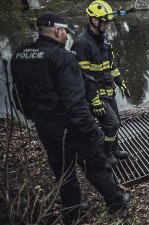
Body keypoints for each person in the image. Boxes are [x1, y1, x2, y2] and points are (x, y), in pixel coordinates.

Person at [10, 12, 131, 223]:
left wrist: (36, 117)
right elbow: (75, 102)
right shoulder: (62, 57)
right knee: (94, 165)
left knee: (63, 171)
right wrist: (90, 130)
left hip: (45, 127)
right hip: (71, 126)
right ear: (57, 30)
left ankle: (73, 211)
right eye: (65, 32)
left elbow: (17, 97)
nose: (67, 36)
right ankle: (115, 201)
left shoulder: (19, 55)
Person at [71, 0, 129, 165]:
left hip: (108, 90)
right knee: (111, 124)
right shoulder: (82, 43)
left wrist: (120, 82)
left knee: (115, 122)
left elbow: (110, 66)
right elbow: (81, 76)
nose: (107, 25)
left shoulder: (104, 40)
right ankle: (104, 155)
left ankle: (114, 149)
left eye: (108, 21)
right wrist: (94, 99)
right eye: (104, 21)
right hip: (96, 96)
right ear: (93, 20)